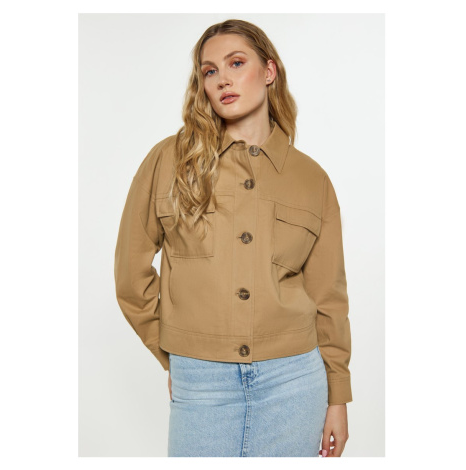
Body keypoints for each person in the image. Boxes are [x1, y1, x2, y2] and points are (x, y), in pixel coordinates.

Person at [114, 18, 352, 457]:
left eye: (236, 63)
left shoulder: (312, 179)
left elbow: (329, 297)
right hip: (201, 383)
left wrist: (337, 395)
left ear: (269, 70)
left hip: (295, 382)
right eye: (210, 71)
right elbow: (131, 276)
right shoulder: (169, 161)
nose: (222, 79)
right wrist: (177, 354)